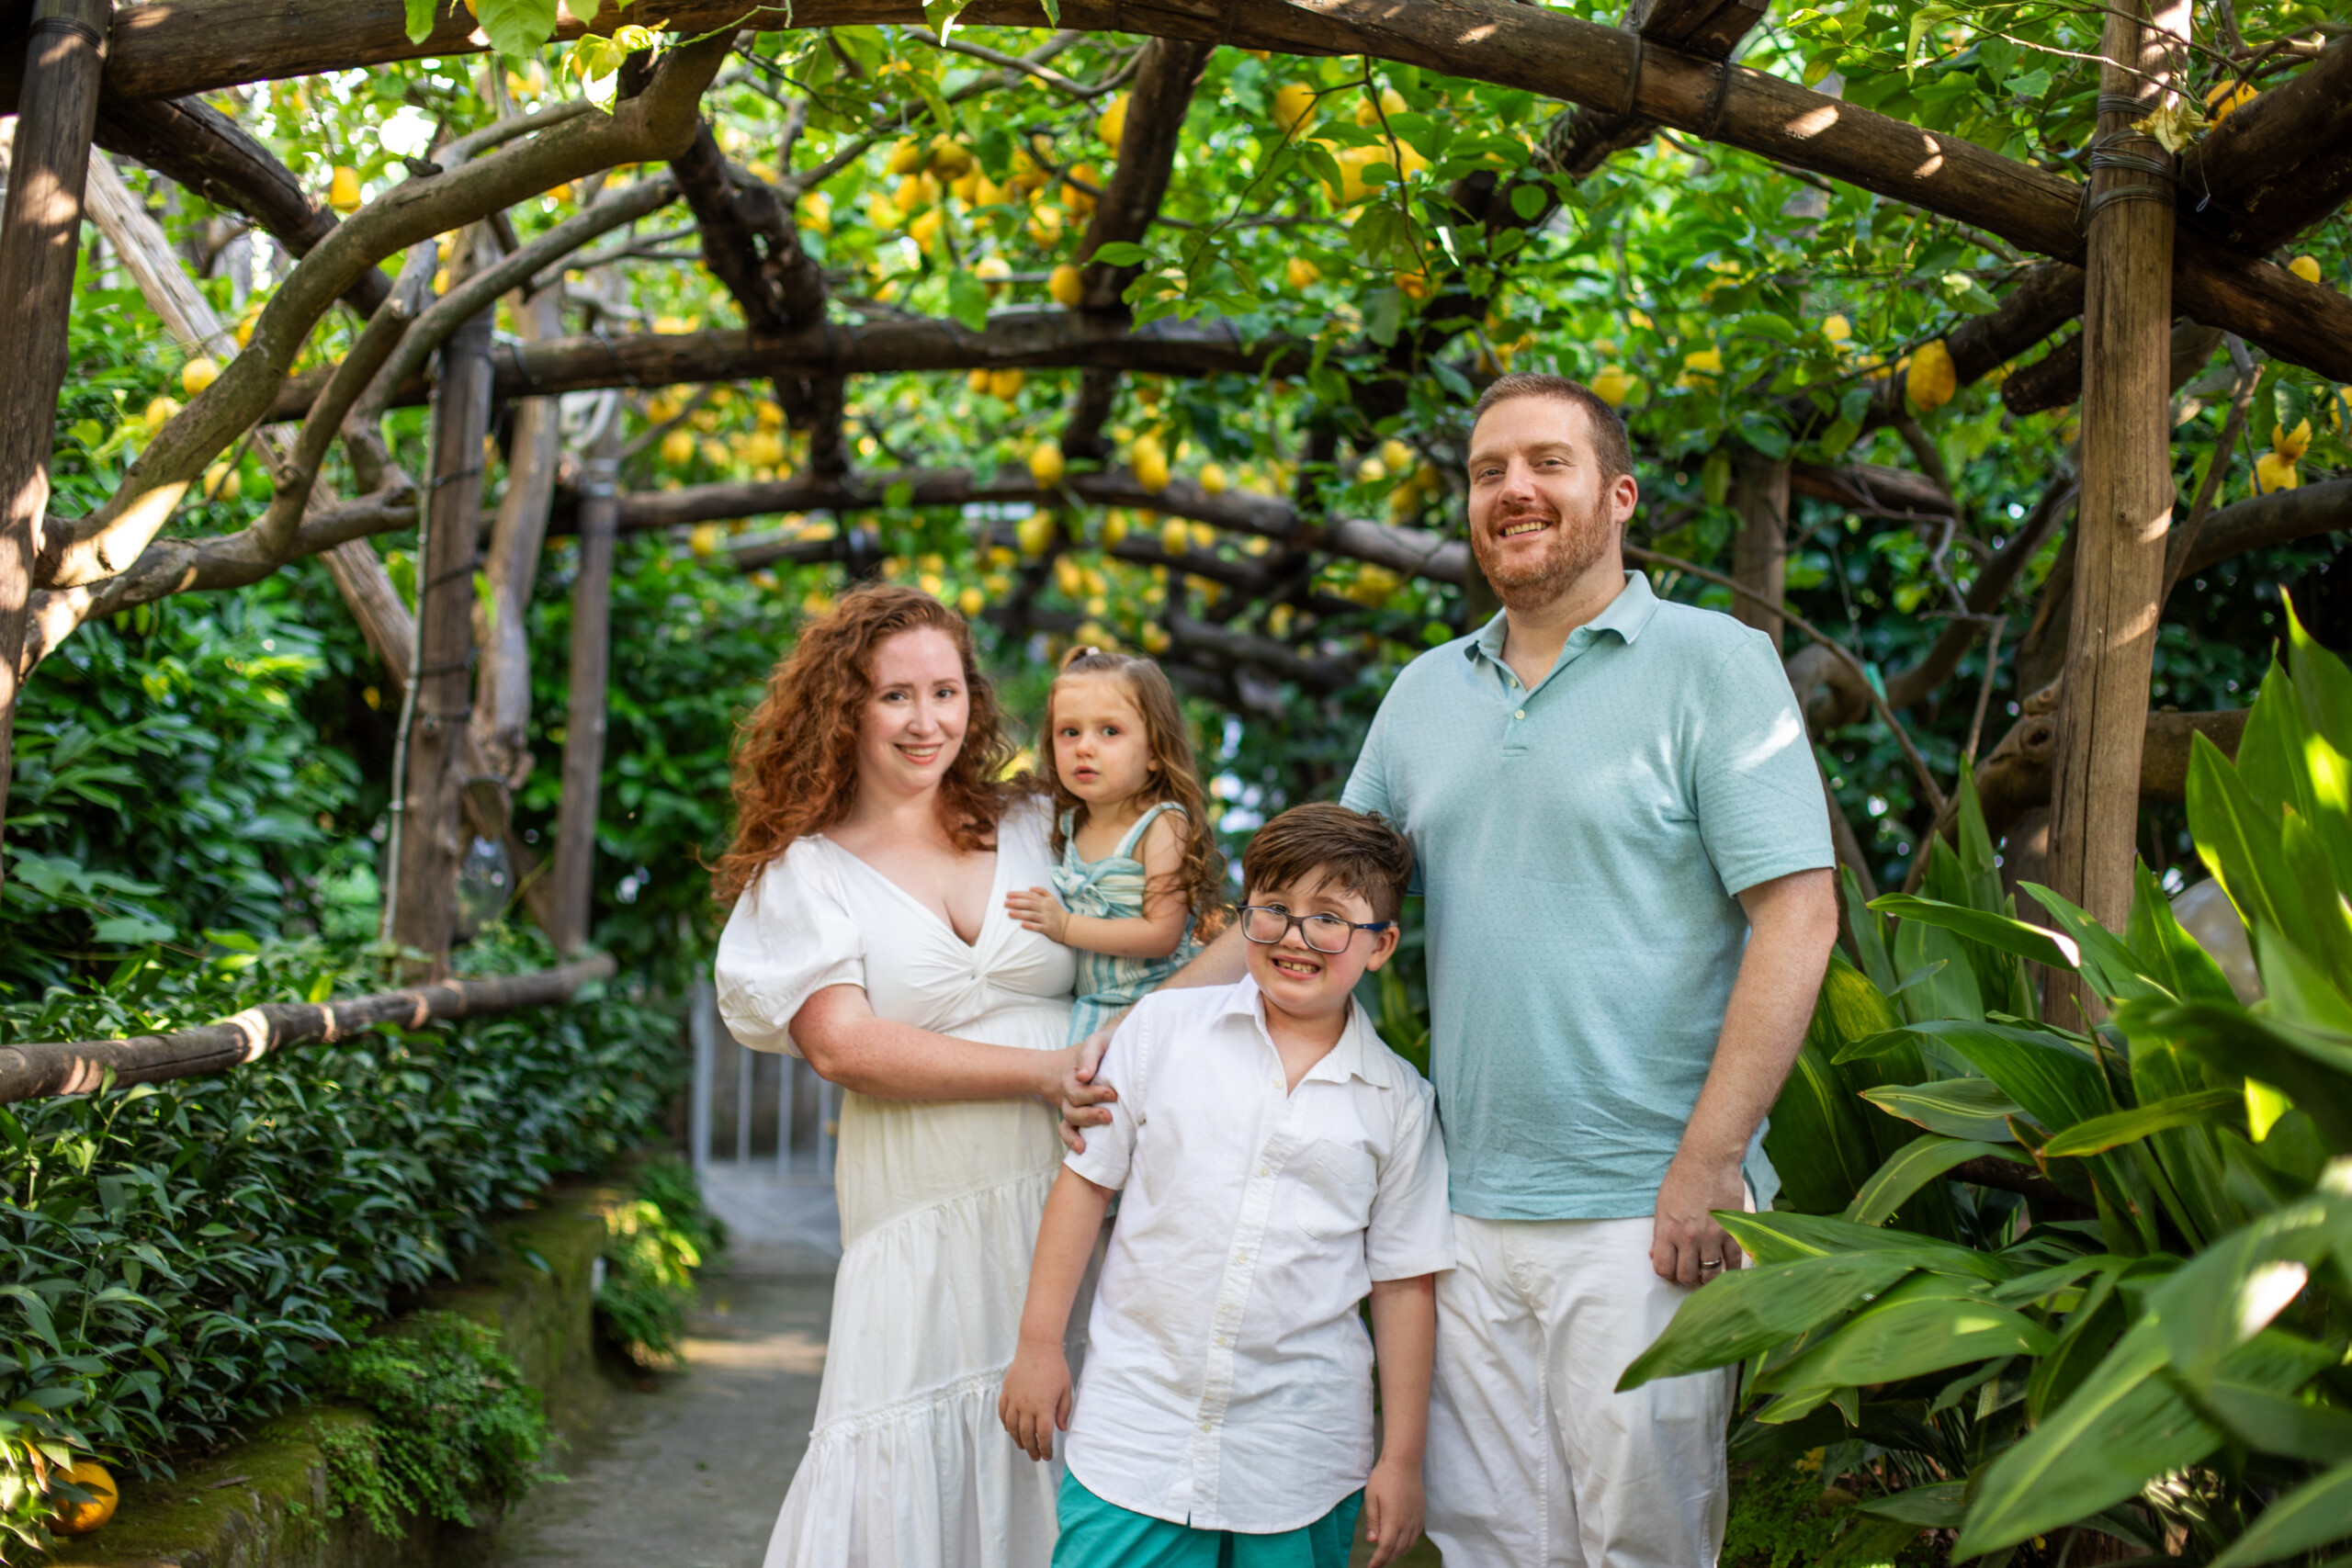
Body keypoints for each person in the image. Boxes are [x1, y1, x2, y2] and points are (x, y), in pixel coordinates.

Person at [1061, 374, 1841, 1566]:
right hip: (1461, 1204)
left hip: (1642, 1202)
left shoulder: (1713, 663)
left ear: (1618, 495)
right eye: (1488, 472)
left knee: (1642, 1536)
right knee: (1488, 1540)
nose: (1514, 491)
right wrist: (1139, 1029)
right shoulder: (1426, 691)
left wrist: (1712, 1156)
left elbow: (1799, 913)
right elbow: (1309, 899)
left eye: (1547, 463)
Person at [712, 584, 1097, 1567]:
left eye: (946, 692)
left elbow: (1167, 933)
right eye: (894, 697)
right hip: (919, 1212)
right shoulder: (808, 871)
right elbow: (843, 1046)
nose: (926, 722)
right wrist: (1043, 1070)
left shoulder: (1042, 823)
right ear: (843, 709)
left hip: (1071, 1196)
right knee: (909, 1450)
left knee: (1074, 1445)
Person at [1003, 803, 1453, 1568]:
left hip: (1298, 1456)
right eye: (1273, 908)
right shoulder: (1162, 1031)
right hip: (1136, 1433)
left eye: (1330, 918)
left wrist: (1401, 1458)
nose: (1295, 936)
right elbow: (1084, 1186)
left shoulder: (1399, 1104)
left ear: (1381, 946)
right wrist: (1039, 1343)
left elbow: (1404, 1284)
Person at [1004, 645, 1228, 1043]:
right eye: (1069, 732)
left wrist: (1066, 925)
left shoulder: (1161, 824)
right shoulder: (1069, 822)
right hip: (1092, 1007)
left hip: (1155, 1008)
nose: (1084, 747)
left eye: (1110, 731)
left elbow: (1161, 935)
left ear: (1156, 751)